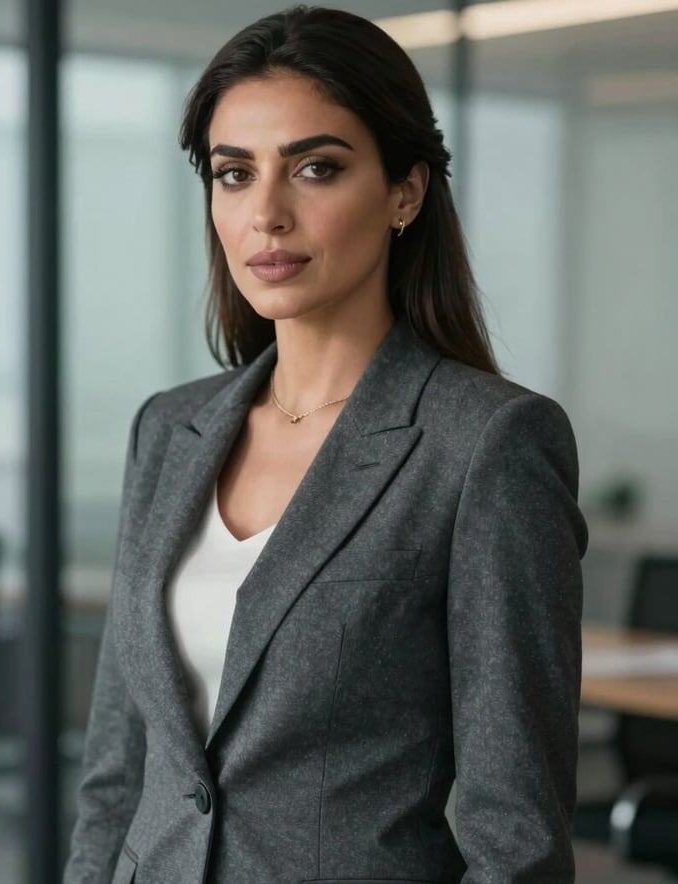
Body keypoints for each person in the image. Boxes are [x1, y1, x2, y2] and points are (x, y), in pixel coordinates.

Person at [64, 6, 587, 884]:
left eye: (316, 168)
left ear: (405, 192)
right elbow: (119, 770)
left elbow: (516, 833)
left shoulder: (485, 444)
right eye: (235, 174)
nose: (267, 213)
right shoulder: (170, 430)